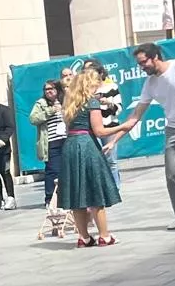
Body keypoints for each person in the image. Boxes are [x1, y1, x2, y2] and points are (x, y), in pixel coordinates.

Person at [112, 43, 175, 232]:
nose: (142, 67)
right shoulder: (150, 83)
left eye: (143, 62)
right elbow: (135, 115)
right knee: (171, 174)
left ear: (155, 57)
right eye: (139, 64)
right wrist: (113, 140)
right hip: (174, 129)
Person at [60, 67, 120, 247]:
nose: (96, 89)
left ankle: (84, 237)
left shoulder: (69, 104)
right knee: (95, 193)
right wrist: (122, 127)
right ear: (87, 86)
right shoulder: (91, 103)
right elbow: (100, 131)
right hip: (87, 145)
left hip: (70, 146)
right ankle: (104, 236)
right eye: (94, 86)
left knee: (77, 195)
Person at [83, 60, 123, 186]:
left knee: (111, 160)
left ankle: (115, 187)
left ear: (100, 73)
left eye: (92, 72)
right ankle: (101, 188)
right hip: (92, 129)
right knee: (96, 160)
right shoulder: (85, 90)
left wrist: (109, 103)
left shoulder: (111, 87)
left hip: (109, 127)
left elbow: (119, 108)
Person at [30, 79, 66, 205]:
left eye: (51, 88)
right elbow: (33, 119)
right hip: (51, 142)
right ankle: (49, 198)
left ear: (57, 90)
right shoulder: (41, 103)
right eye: (46, 89)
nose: (49, 91)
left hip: (66, 139)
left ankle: (66, 197)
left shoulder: (65, 101)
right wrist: (50, 111)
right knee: (52, 171)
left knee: (66, 170)